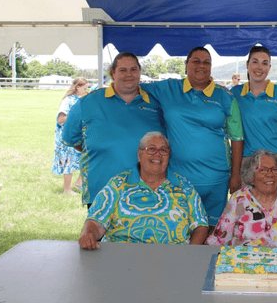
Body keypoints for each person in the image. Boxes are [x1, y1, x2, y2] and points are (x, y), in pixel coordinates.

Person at [141, 47, 244, 227]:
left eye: (206, 62)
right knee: (180, 229)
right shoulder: (168, 88)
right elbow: (132, 86)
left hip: (216, 179)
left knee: (213, 232)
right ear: (186, 65)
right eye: (196, 61)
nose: (201, 66)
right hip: (178, 179)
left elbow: (237, 138)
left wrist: (235, 175)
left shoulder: (225, 96)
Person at [63, 52, 165, 206]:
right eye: (123, 70)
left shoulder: (156, 104)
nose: (129, 75)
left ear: (139, 72)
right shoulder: (88, 102)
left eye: (133, 70)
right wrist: (101, 148)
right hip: (102, 193)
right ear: (112, 73)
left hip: (146, 194)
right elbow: (71, 139)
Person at [78, 132, 208, 249]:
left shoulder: (184, 187)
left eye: (163, 150)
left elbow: (200, 224)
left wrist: (190, 253)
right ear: (139, 155)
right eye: (151, 149)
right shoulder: (118, 184)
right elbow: (95, 221)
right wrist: (88, 234)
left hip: (174, 259)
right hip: (122, 259)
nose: (157, 154)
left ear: (169, 157)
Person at [207, 149, 277, 247]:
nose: (270, 174)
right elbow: (219, 240)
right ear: (251, 176)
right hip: (244, 264)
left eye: (274, 169)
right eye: (262, 170)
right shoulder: (238, 199)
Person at [230, 46, 277, 190]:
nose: (259, 67)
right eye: (255, 62)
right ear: (247, 65)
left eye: (264, 63)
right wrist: (234, 174)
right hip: (247, 165)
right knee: (248, 211)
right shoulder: (235, 93)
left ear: (269, 67)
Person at [52, 77, 87, 194]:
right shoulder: (68, 101)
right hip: (66, 136)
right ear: (77, 87)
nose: (86, 91)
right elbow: (60, 119)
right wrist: (76, 118)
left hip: (78, 135)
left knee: (86, 157)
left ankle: (79, 183)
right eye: (84, 88)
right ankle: (67, 189)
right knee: (69, 161)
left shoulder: (82, 100)